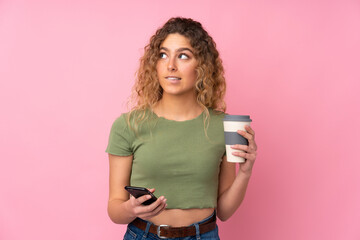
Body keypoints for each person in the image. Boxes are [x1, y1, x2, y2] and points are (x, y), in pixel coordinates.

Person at [106, 17, 258, 240]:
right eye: (163, 55)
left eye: (183, 56)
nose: (171, 65)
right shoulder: (127, 125)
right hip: (144, 234)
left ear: (202, 66)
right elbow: (114, 208)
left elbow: (224, 211)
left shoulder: (223, 125)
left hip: (203, 235)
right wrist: (131, 209)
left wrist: (245, 172)